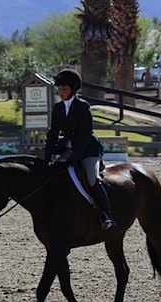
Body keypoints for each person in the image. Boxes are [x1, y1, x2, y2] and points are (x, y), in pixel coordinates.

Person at [44, 69, 116, 230]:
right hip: (68, 149)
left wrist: (76, 157)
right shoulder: (58, 108)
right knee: (54, 175)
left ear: (73, 89)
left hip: (88, 149)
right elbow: (53, 132)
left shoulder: (83, 106)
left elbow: (85, 134)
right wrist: (47, 155)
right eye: (59, 89)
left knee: (91, 178)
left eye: (64, 89)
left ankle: (107, 214)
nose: (61, 92)